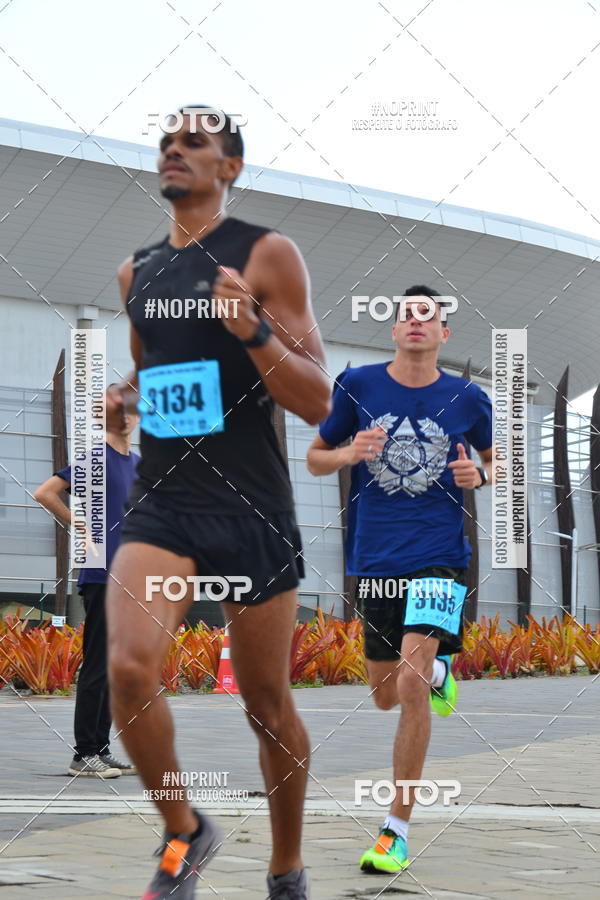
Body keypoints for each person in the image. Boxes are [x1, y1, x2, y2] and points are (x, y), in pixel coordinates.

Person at [105, 105, 330, 900]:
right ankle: (185, 830)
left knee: (266, 706)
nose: (174, 150)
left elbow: (319, 401)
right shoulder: (135, 273)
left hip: (251, 506)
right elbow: (160, 371)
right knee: (129, 668)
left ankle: (286, 866)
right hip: (165, 500)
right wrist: (130, 396)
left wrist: (255, 333)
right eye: (166, 142)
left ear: (229, 167)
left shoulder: (266, 254)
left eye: (193, 142)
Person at [307, 285, 493, 873]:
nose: (416, 323)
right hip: (375, 561)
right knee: (386, 694)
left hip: (440, 556)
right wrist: (348, 454)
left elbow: (497, 461)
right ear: (392, 330)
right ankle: (439, 672)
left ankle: (395, 832)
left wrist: (480, 474)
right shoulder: (358, 385)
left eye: (427, 316)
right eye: (405, 315)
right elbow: (315, 455)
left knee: (409, 684)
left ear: (443, 333)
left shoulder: (469, 397)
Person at [33, 390, 140, 779]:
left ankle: (101, 748)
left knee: (114, 666)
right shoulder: (97, 459)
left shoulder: (139, 464)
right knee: (97, 663)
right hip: (102, 573)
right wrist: (77, 523)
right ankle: (83, 755)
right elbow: (45, 492)